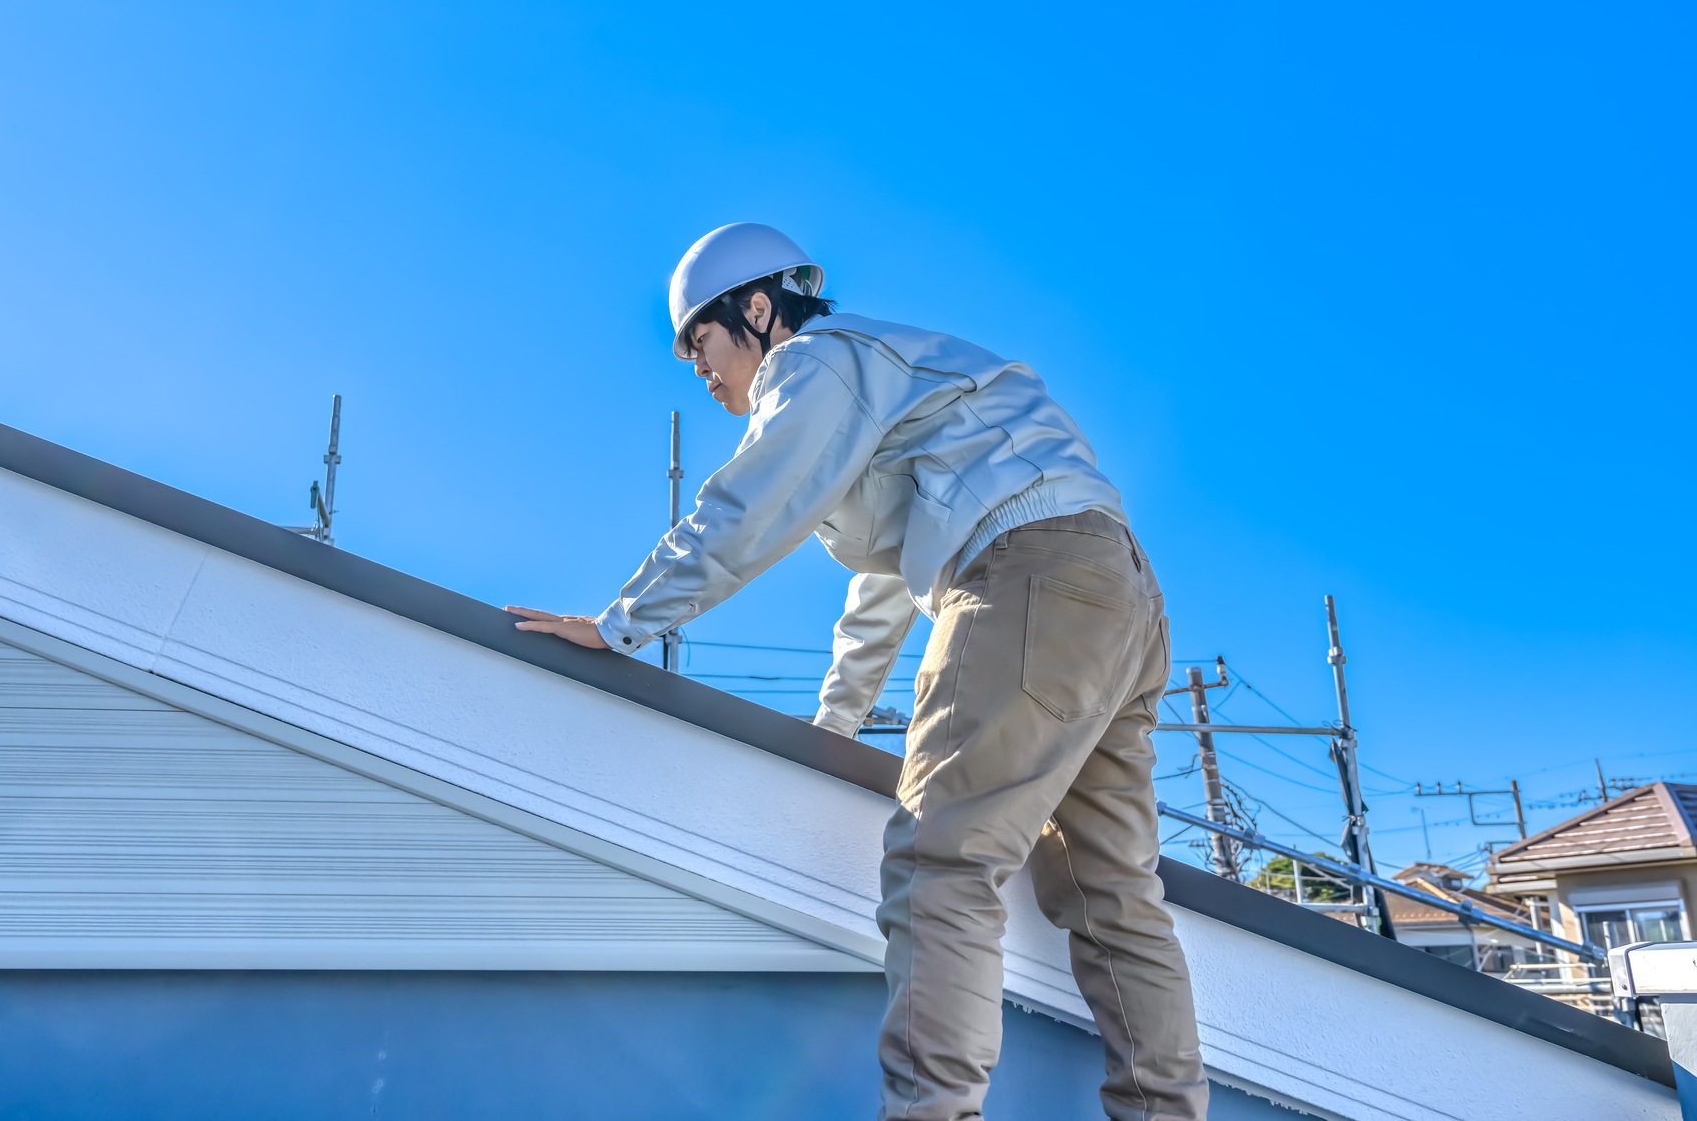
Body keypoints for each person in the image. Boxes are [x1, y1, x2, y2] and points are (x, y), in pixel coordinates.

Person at [507, 222, 1208, 1121]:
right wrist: (832, 730)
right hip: (1112, 590)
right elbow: (886, 596)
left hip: (1030, 573)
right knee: (1111, 894)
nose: (698, 367)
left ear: (758, 310)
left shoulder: (813, 365)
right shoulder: (887, 395)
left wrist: (619, 623)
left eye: (702, 341)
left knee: (942, 858)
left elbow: (747, 509)